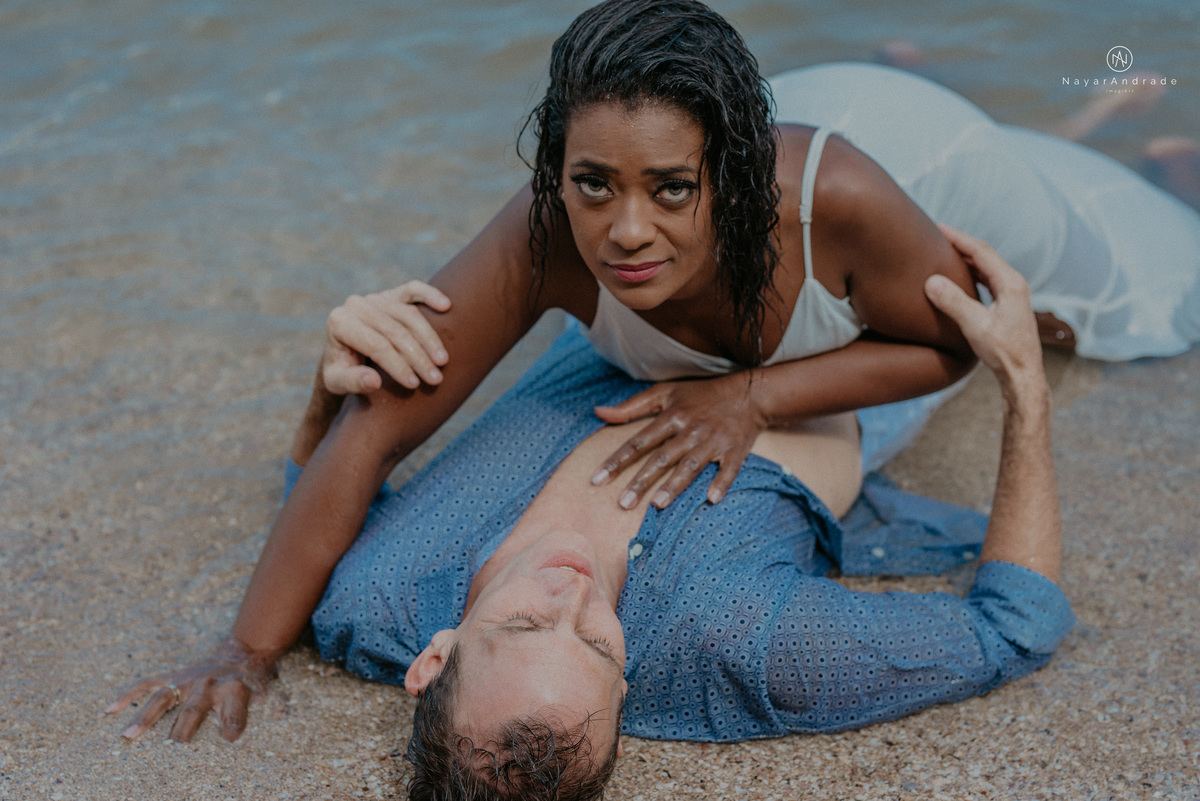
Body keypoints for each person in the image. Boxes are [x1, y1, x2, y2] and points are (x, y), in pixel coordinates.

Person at [108, 0, 1198, 796]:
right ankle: (1154, 146)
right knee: (1097, 297)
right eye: (596, 642)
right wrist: (1023, 393)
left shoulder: (374, 608)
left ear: (432, 656)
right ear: (627, 688)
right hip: (835, 240)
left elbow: (352, 452)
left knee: (1024, 220)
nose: (576, 594)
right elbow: (1013, 622)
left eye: (534, 616)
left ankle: (963, 93)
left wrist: (246, 643)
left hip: (851, 179)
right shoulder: (740, 649)